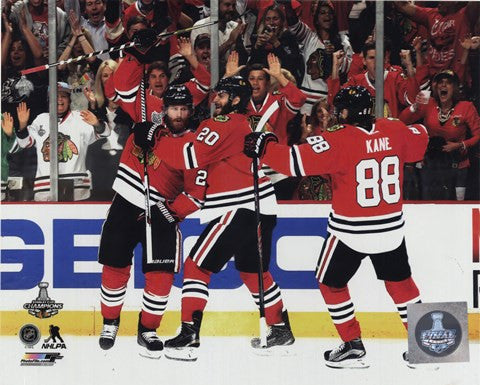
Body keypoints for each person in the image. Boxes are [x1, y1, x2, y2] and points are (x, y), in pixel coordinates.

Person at [244, 85, 428, 368]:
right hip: (390, 229)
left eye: (337, 110)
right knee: (402, 285)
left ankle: (352, 344)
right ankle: (428, 347)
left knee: (330, 282)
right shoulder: (394, 129)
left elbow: (294, 162)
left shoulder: (336, 138)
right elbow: (423, 137)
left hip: (350, 230)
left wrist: (264, 147)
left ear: (345, 112)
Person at [135, 76, 294, 361]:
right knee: (252, 270)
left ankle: (189, 333)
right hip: (263, 207)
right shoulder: (245, 123)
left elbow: (189, 156)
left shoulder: (223, 124)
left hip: (240, 208)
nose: (214, 99)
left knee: (196, 266)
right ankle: (280, 328)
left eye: (220, 95)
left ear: (234, 100)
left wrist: (155, 138)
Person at [97, 84, 206, 358]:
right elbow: (120, 84)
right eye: (173, 108)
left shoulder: (197, 144)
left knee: (161, 276)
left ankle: (147, 330)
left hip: (161, 209)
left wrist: (172, 211)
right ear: (164, 107)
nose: (178, 114)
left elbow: (197, 193)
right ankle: (110, 323)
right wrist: (137, 51)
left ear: (191, 110)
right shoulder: (147, 110)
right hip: (126, 198)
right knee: (114, 265)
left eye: (183, 109)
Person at [13, 82, 109, 201]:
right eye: (55, 96)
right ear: (49, 100)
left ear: (69, 100)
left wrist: (96, 122)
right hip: (45, 188)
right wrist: (22, 125)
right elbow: (24, 143)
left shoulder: (80, 117)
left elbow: (104, 132)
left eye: (63, 96)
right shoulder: (40, 119)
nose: (59, 99)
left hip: (77, 188)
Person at [399, 70, 480, 201]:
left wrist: (460, 145)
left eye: (448, 83)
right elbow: (402, 121)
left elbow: (478, 135)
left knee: (458, 204)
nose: (443, 85)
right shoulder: (429, 104)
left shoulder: (466, 107)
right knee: (430, 201)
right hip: (432, 165)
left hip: (458, 165)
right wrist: (415, 106)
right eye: (440, 83)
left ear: (455, 88)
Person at [284, 0, 353, 114]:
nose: (327, 15)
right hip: (306, 101)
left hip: (329, 100)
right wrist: (287, 4)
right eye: (322, 13)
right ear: (316, 18)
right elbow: (293, 24)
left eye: (330, 13)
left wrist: (333, 56)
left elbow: (346, 70)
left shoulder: (343, 42)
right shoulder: (309, 37)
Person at [248, 4, 304, 84]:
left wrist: (276, 43)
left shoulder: (289, 36)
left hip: (285, 80)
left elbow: (293, 64)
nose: (271, 22)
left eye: (275, 19)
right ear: (264, 22)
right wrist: (257, 47)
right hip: (264, 82)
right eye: (268, 19)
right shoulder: (259, 37)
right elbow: (253, 65)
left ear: (282, 21)